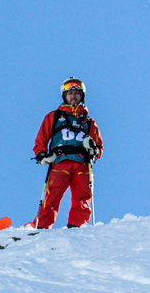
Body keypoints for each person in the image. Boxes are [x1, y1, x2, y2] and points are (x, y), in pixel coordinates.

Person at [30, 77, 103, 229]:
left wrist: (93, 149)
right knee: (52, 197)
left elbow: (98, 147)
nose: (73, 96)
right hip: (60, 161)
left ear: (82, 96)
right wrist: (42, 155)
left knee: (82, 199)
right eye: (70, 93)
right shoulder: (55, 116)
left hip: (82, 164)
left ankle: (77, 228)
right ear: (64, 96)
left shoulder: (89, 122)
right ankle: (41, 227)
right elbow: (41, 139)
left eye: (77, 93)